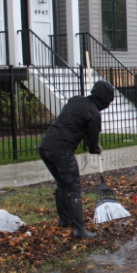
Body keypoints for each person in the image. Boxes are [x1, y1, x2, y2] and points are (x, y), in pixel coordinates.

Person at [39, 80, 115, 239]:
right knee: (73, 187)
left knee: (62, 184)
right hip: (61, 151)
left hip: (45, 145)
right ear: (103, 100)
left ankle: (65, 220)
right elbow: (91, 144)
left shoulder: (75, 100)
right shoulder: (94, 113)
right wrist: (96, 149)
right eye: (107, 103)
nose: (107, 106)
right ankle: (79, 230)